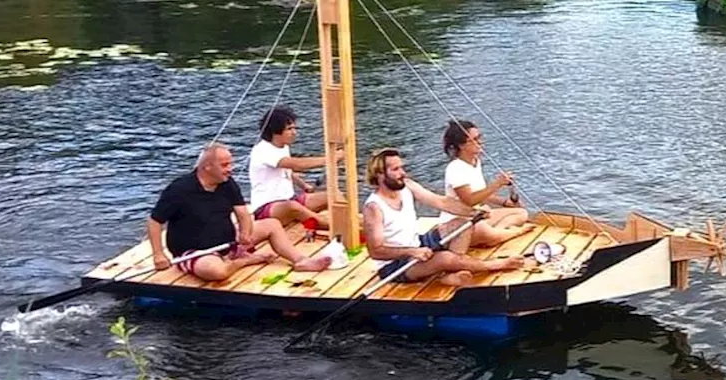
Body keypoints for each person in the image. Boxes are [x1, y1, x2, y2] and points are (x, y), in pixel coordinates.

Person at [148, 143, 332, 281]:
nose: (230, 169)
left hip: (228, 241)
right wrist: (158, 254)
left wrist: (245, 232)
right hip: (196, 251)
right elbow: (155, 221)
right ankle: (245, 261)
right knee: (217, 272)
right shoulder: (179, 189)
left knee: (272, 224)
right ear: (207, 167)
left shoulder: (227, 183)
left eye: (230, 164)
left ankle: (300, 260)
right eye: (225, 165)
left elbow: (242, 212)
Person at [363, 147, 525, 287]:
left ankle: (451, 272)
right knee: (445, 258)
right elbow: (376, 251)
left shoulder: (407, 186)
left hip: (418, 243)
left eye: (401, 168)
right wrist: (412, 252)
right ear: (380, 175)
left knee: (462, 224)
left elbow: (441, 202)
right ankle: (496, 265)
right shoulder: (374, 207)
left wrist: (472, 212)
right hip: (395, 264)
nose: (402, 173)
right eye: (396, 170)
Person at [439, 119, 535, 246]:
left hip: (479, 217)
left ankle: (496, 234)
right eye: (474, 139)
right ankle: (512, 233)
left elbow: (481, 194)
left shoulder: (475, 162)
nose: (480, 142)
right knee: (483, 230)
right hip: (458, 223)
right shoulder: (455, 169)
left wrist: (505, 203)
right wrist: (497, 183)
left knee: (521, 213)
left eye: (480, 137)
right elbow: (470, 200)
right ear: (461, 145)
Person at [248, 106, 335, 229]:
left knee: (332, 196)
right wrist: (331, 158)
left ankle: (351, 220)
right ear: (275, 132)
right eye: (289, 129)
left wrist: (304, 185)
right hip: (267, 209)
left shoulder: (283, 146)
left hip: (290, 199)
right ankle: (338, 228)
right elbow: (296, 164)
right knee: (293, 207)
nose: (294, 132)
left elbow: (287, 171)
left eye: (294, 128)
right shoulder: (263, 150)